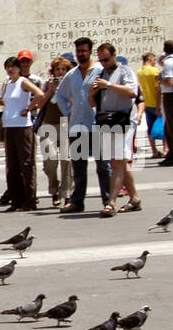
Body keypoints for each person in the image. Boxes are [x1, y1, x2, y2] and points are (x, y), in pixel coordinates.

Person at [87, 43, 140, 217]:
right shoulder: (99, 74)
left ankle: (111, 202)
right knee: (121, 162)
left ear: (114, 55)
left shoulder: (125, 71)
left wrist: (108, 85)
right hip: (106, 120)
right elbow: (93, 103)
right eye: (101, 60)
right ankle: (134, 198)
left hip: (123, 119)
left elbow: (132, 92)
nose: (104, 63)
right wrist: (92, 93)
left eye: (106, 59)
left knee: (117, 162)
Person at [56, 37, 106, 212]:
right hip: (77, 125)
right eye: (78, 51)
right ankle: (77, 201)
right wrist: (68, 113)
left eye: (84, 51)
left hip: (97, 124)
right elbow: (59, 95)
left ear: (90, 51)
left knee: (103, 166)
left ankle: (108, 199)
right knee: (78, 167)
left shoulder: (100, 71)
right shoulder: (71, 75)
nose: (81, 54)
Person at [0, 56, 45, 211]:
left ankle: (30, 200)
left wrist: (29, 108)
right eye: (7, 67)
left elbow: (40, 94)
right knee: (12, 166)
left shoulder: (23, 82)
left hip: (23, 127)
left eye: (13, 67)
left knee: (26, 164)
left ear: (19, 68)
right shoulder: (8, 83)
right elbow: (6, 102)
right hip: (9, 126)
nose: (10, 70)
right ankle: (16, 200)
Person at [35, 56, 73, 207]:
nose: (60, 72)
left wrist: (63, 91)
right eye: (58, 69)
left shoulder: (70, 85)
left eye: (63, 69)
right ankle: (54, 188)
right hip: (48, 125)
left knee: (67, 160)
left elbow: (73, 104)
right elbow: (39, 104)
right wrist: (50, 91)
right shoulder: (47, 85)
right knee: (50, 162)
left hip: (65, 124)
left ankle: (67, 193)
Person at [136, 52, 162, 158]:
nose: (155, 62)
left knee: (150, 128)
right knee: (163, 126)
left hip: (147, 103)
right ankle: (166, 148)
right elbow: (158, 89)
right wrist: (159, 103)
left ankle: (154, 151)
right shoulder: (154, 71)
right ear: (150, 58)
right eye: (154, 59)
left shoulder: (139, 72)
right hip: (156, 102)